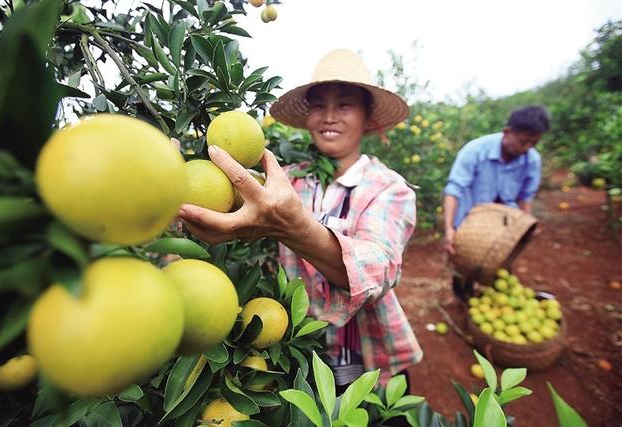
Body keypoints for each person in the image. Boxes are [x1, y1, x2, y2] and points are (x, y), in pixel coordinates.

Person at [179, 49, 423, 392]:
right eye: (319, 105)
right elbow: (238, 208)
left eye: (344, 105)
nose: (329, 116)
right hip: (295, 351)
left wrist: (291, 226)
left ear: (368, 117)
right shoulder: (284, 181)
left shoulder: (389, 189)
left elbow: (378, 269)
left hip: (369, 361)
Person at [443, 105, 551, 300]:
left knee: (501, 266)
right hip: (470, 220)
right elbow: (454, 190)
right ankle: (464, 297)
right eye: (523, 141)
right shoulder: (475, 151)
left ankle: (494, 300)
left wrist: (526, 224)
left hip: (506, 223)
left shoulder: (531, 160)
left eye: (533, 143)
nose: (527, 148)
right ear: (507, 132)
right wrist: (449, 228)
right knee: (465, 265)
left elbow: (525, 196)